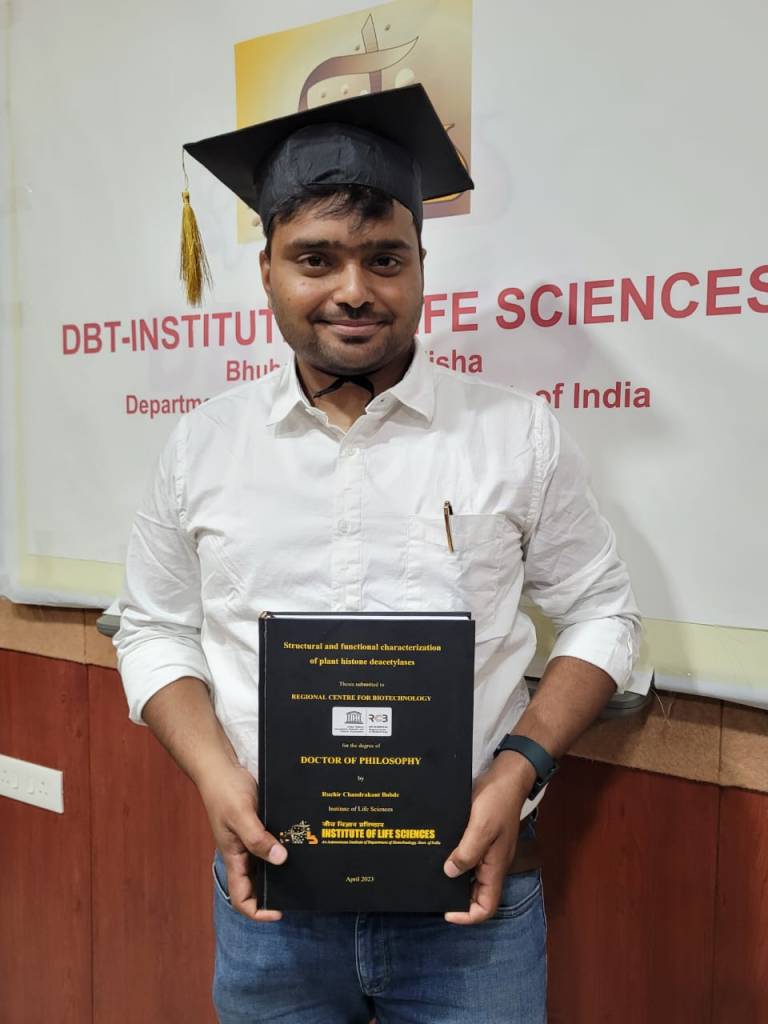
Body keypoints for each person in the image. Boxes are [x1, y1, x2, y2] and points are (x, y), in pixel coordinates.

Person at [115, 85, 640, 1023]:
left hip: (470, 905)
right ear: (267, 269)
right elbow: (154, 629)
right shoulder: (202, 446)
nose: (353, 289)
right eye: (315, 258)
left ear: (423, 268)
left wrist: (519, 766)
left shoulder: (516, 436)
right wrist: (213, 774)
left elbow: (605, 614)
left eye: (385, 258)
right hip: (270, 905)